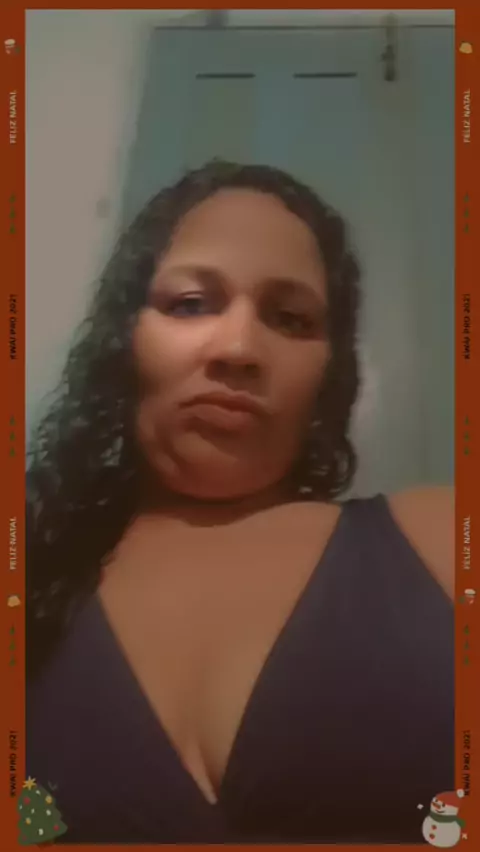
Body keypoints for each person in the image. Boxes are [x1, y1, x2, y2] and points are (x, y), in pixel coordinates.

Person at [26, 160, 454, 844]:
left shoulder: (442, 540)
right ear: (124, 338)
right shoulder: (32, 572)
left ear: (329, 370)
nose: (238, 348)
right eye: (191, 303)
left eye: (290, 318)